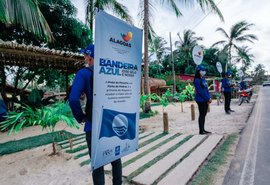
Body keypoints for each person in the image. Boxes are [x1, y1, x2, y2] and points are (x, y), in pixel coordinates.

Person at [69, 44, 122, 185]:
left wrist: (80, 117)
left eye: (85, 55)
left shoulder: (84, 74)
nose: (84, 58)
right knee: (116, 159)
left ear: (89, 56)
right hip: (112, 122)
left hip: (93, 125)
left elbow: (73, 99)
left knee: (98, 164)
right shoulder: (111, 72)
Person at [193, 65, 212, 135]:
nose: (204, 72)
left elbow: (206, 89)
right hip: (200, 99)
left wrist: (209, 97)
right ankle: (201, 131)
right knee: (202, 114)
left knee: (204, 114)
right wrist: (207, 98)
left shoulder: (203, 79)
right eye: (202, 70)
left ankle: (203, 129)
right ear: (198, 71)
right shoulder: (196, 80)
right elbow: (200, 91)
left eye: (204, 70)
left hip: (205, 99)